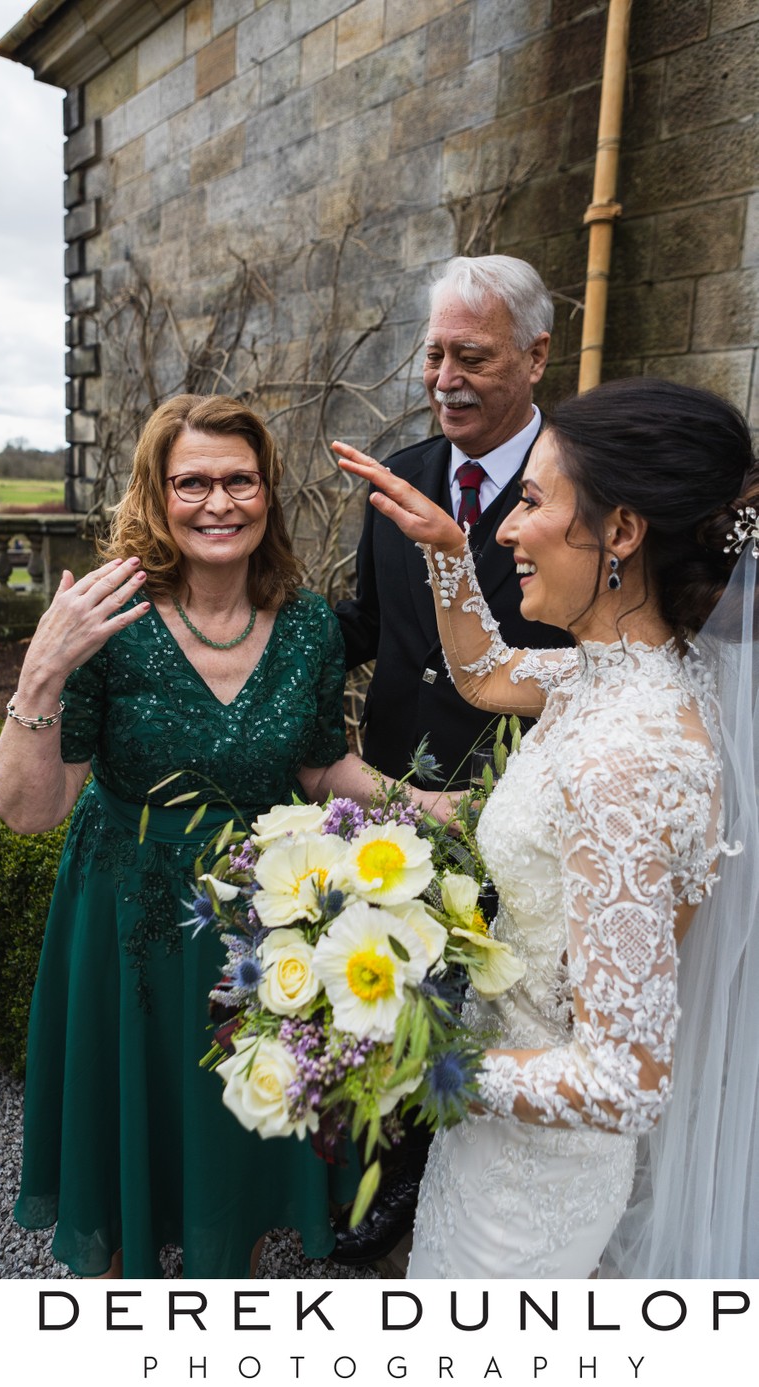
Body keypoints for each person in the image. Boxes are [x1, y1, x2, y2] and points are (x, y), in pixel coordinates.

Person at [0, 393, 431, 1280]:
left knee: (244, 1145)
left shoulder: (307, 625)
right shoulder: (109, 618)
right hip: (127, 922)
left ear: (268, 491)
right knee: (129, 1155)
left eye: (240, 480)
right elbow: (32, 809)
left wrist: (434, 806)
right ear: (156, 494)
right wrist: (42, 673)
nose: (218, 502)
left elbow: (320, 769)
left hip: (260, 919)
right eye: (192, 482)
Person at [334, 375, 759, 1278]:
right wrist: (447, 551)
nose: (506, 528)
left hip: (530, 1187)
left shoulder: (628, 763)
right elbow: (484, 673)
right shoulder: (609, 673)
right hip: (495, 1141)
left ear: (622, 531)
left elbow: (623, 1081)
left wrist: (413, 1057)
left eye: (530, 500)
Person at [332, 253, 573, 1264]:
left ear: (535, 354)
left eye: (469, 356)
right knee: (402, 992)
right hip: (394, 786)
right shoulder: (404, 470)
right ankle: (388, 1181)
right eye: (433, 354)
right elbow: (370, 622)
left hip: (521, 799)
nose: (443, 379)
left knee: (500, 1003)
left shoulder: (579, 475)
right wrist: (247, 638)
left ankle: (478, 1186)